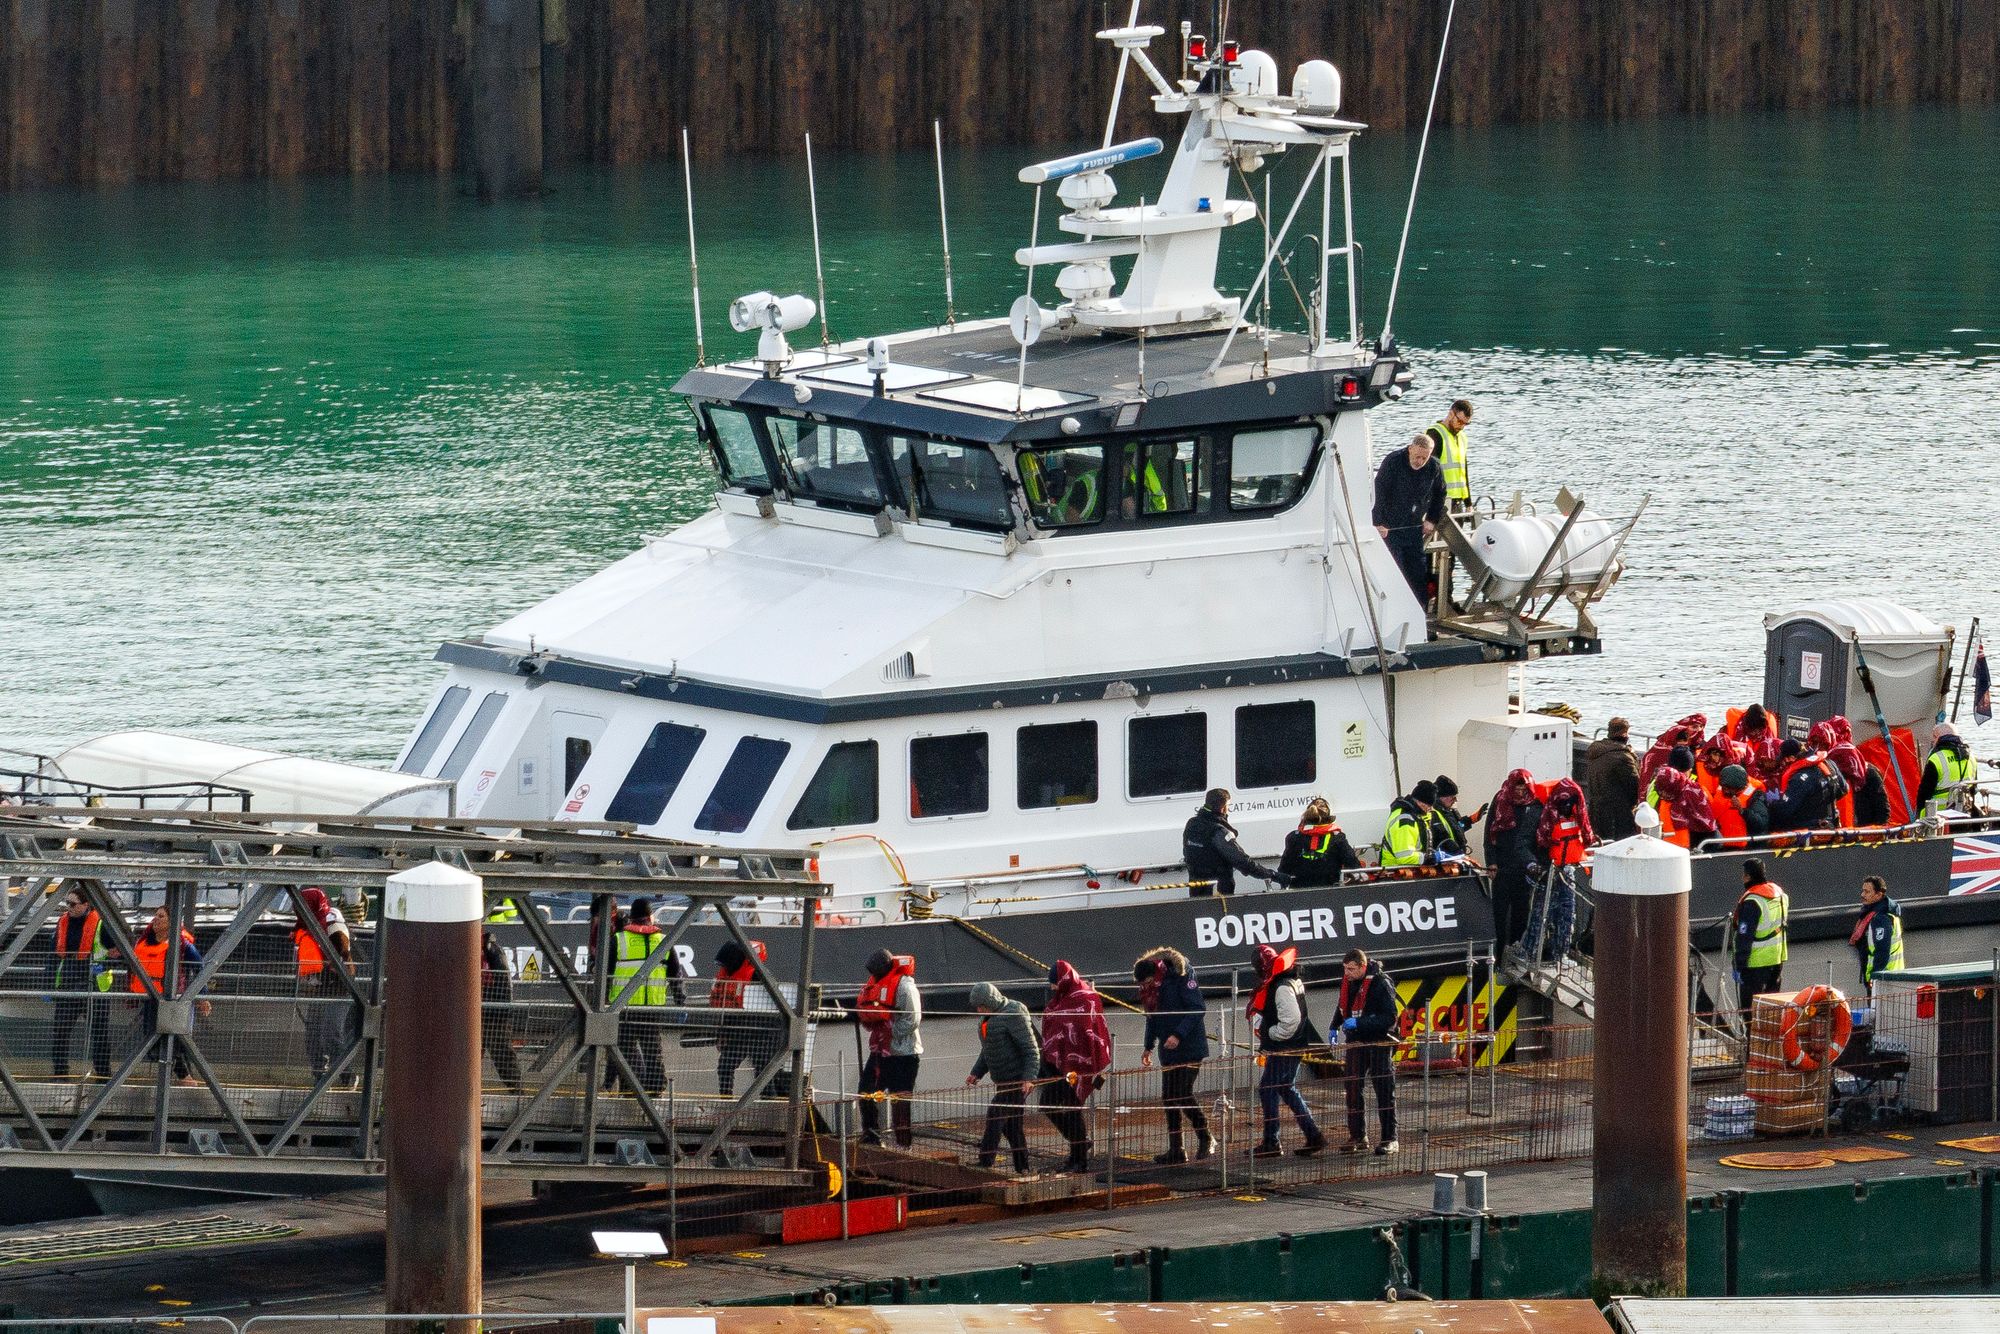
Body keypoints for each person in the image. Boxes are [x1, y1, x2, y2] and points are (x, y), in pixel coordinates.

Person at [1247, 944, 1324, 1158]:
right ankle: (1313, 1135)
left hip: (1285, 1046)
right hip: (1292, 1045)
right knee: (1286, 1088)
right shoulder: (1290, 980)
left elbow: (1291, 1020)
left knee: (1268, 1089)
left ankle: (1272, 1141)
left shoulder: (1281, 986)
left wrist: (1271, 1033)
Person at [1136, 946, 1211, 1164]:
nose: (1145, 987)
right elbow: (1152, 1016)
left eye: (1147, 982)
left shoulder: (1181, 976)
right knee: (1169, 1096)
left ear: (1155, 974)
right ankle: (1176, 1148)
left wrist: (1178, 1034)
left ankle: (1205, 1136)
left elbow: (1197, 1008)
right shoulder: (1151, 990)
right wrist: (1148, 1045)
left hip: (1189, 1046)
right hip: (1168, 1049)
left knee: (1182, 1093)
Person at [1040, 960, 1110, 1172]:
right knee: (1048, 1104)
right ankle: (1079, 1143)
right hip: (1057, 1063)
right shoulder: (1059, 1000)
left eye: (1055, 982)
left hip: (1081, 1065)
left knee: (1072, 1108)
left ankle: (1079, 1159)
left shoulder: (1086, 998)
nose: (1053, 987)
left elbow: (1091, 1030)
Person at [1331, 948, 1401, 1156]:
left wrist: (1360, 1023)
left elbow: (1389, 1018)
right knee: (1353, 1087)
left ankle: (1390, 1138)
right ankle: (1358, 1135)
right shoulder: (1349, 982)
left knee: (1384, 1089)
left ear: (1362, 966)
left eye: (1351, 969)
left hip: (1378, 1042)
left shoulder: (1381, 983)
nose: (1347, 973)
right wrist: (1334, 1026)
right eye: (1345, 969)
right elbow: (1343, 1006)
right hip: (1356, 1041)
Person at [966, 981, 1038, 1175]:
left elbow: (1030, 1049)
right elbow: (988, 1049)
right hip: (1002, 1080)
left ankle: (985, 1161)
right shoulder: (987, 1018)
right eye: (977, 1007)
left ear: (991, 1001)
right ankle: (1023, 1167)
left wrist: (1029, 1078)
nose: (979, 1010)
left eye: (982, 1006)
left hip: (1016, 1080)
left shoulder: (1014, 1013)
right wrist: (976, 1072)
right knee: (1012, 1127)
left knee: (995, 1115)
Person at [129, 907, 203, 1085]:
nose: (155, 919)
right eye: (155, 915)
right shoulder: (145, 941)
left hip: (172, 999)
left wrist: (203, 995)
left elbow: (199, 967)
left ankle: (182, 1076)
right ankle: (179, 1075)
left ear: (171, 922)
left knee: (173, 1038)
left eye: (161, 916)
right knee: (152, 1039)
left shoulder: (182, 944)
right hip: (151, 997)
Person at [856, 949, 922, 1149]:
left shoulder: (905, 987)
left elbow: (913, 1019)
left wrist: (890, 1033)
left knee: (900, 1101)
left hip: (904, 1054)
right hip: (879, 1053)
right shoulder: (874, 984)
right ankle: (871, 1135)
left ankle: (904, 1146)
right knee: (865, 1092)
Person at [1523, 779, 1593, 964]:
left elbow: (1583, 836)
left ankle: (1560, 954)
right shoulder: (1540, 813)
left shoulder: (1577, 813)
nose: (1567, 807)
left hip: (1567, 871)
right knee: (1540, 915)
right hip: (1546, 872)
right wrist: (1534, 865)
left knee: (1567, 914)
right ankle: (1529, 953)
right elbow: (1526, 843)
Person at [1371, 432, 1445, 601]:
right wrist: (1378, 522)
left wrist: (1431, 519)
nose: (1420, 461)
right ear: (1410, 449)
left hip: (1414, 526)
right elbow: (1379, 492)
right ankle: (1393, 605)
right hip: (1390, 527)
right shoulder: (1393, 461)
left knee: (1417, 572)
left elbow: (1440, 493)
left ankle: (1420, 608)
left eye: (1424, 458)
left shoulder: (1433, 467)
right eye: (1417, 456)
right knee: (1395, 569)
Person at [48, 888, 112, 1080]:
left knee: (99, 1033)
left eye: (73, 904)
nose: (69, 907)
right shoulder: (62, 923)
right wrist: (48, 984)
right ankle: (60, 1074)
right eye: (67, 903)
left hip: (95, 986)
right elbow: (52, 956)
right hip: (68, 984)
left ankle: (103, 1074)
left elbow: (117, 950)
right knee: (60, 1032)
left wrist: (105, 965)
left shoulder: (101, 924)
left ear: (86, 905)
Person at [293, 886, 355, 1085]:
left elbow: (343, 952)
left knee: (331, 1032)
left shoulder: (333, 923)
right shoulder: (307, 925)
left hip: (339, 987)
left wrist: (333, 964)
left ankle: (346, 1076)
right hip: (320, 987)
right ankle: (319, 1074)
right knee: (312, 1034)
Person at [613, 897, 673, 1096]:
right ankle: (656, 1088)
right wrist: (680, 999)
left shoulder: (619, 939)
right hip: (651, 1007)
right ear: (650, 916)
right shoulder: (663, 940)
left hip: (624, 1006)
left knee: (625, 1049)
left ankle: (630, 1086)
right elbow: (675, 972)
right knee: (652, 1050)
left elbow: (607, 970)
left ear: (631, 916)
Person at [1183, 789, 1284, 896]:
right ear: (1223, 808)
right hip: (1218, 892)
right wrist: (1272, 875)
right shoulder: (1219, 831)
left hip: (1196, 888)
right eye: (1228, 806)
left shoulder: (1192, 824)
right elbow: (1242, 861)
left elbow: (1187, 852)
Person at [1483, 769, 1543, 951]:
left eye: (1524, 788)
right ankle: (1498, 953)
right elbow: (1489, 833)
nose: (1520, 792)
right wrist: (1491, 861)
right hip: (1503, 867)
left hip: (1525, 868)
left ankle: (1517, 950)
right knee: (1499, 914)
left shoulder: (1535, 803)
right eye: (1517, 788)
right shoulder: (1500, 800)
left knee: (1521, 913)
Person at [710, 938, 772, 1098]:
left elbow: (774, 1003)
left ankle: (771, 1103)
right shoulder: (726, 975)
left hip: (760, 1033)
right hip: (737, 1030)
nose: (724, 967)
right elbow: (725, 1009)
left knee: (764, 1073)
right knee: (725, 1067)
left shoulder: (758, 975)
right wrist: (722, 1033)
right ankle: (726, 1100)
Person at [1730, 858, 1788, 1017]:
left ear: (1748, 877)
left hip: (1754, 965)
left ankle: (1750, 1034)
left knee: (1750, 1012)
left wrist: (1738, 965)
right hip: (1776, 960)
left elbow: (1744, 937)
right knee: (1771, 1011)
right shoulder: (1780, 895)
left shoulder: (1752, 902)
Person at [1764, 738, 1846, 832]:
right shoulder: (1829, 764)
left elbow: (1785, 811)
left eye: (1784, 759)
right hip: (1831, 825)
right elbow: (1844, 789)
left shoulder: (1799, 778)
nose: (1784, 763)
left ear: (1791, 758)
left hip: (1809, 830)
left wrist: (1772, 804)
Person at [1278, 797, 1360, 887]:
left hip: (1299, 891)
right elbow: (1354, 866)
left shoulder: (1294, 837)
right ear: (1328, 818)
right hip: (1331, 890)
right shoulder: (1337, 838)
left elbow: (1283, 869)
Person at [481, 930, 525, 1094]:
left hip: (493, 1012)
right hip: (486, 1009)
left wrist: (502, 1010)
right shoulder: (490, 951)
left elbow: (503, 982)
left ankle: (516, 1090)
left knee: (501, 1053)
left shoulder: (492, 952)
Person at [1585, 718, 1641, 840]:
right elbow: (1634, 785)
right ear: (1624, 734)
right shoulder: (1623, 757)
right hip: (1618, 813)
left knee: (1601, 842)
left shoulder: (1595, 751)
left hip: (1595, 809)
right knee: (1621, 844)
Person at [1850, 875, 1905, 993]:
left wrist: (1875, 977)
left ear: (1879, 895)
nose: (1862, 894)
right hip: (1890, 978)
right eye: (1863, 891)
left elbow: (1882, 950)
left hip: (1885, 981)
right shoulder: (1881, 914)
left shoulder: (1880, 918)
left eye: (1867, 892)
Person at [1915, 722, 1976, 819]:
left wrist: (1918, 814)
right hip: (1964, 811)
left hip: (1937, 815)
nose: (1933, 741)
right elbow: (1973, 787)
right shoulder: (1970, 757)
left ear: (1940, 737)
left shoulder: (1936, 758)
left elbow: (1925, 792)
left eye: (1934, 737)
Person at [1380, 780, 1441, 868]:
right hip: (1395, 871)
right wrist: (1430, 858)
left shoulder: (1416, 816)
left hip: (1406, 870)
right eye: (1428, 805)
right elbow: (1405, 857)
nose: (1430, 809)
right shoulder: (1405, 821)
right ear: (1419, 802)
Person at [1426, 399, 1474, 509]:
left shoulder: (1462, 437)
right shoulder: (1435, 434)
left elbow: (1464, 471)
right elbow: (1429, 472)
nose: (1462, 427)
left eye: (1466, 424)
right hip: (1441, 502)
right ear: (1451, 413)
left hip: (1458, 502)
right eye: (1460, 421)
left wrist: (1468, 503)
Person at [1709, 765, 1771, 842]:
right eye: (1724, 787)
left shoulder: (1756, 796)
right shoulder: (1720, 790)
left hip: (1747, 845)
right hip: (1721, 843)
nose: (1726, 791)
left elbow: (1761, 824)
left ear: (1740, 788)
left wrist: (1742, 810)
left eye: (1729, 789)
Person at [1425, 776, 1482, 855]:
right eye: (1452, 797)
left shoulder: (1448, 812)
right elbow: (1442, 837)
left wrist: (1471, 820)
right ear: (1442, 797)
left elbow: (1457, 828)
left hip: (1455, 856)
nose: (1455, 800)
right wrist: (1456, 853)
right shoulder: (1433, 814)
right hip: (1446, 858)